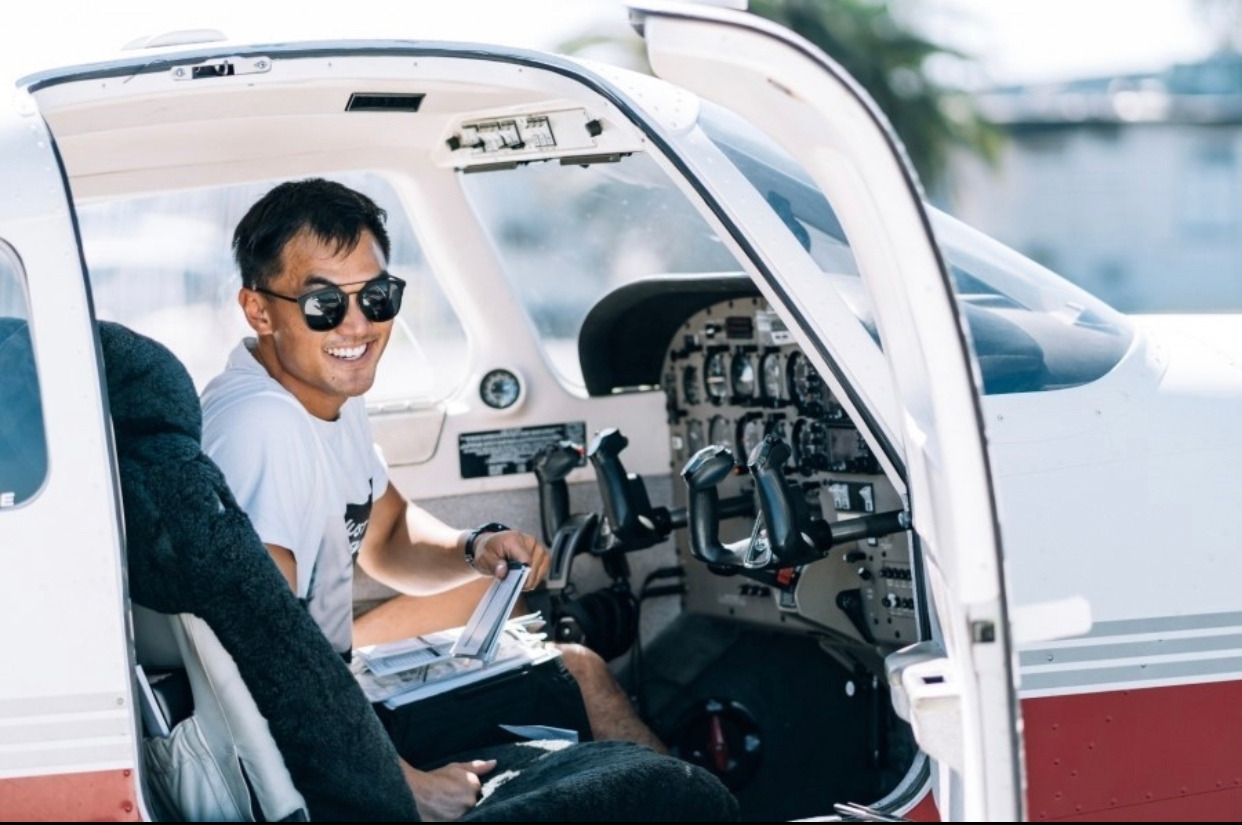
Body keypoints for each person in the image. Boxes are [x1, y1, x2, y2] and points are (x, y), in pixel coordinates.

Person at [200, 178, 664, 821]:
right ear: (259, 310)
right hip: (306, 743)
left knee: (542, 642)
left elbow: (386, 535)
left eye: (377, 297)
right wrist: (401, 783)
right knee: (580, 676)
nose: (358, 326)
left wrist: (474, 549)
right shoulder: (263, 427)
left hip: (336, 695)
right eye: (323, 303)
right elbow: (261, 652)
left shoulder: (326, 392)